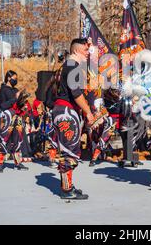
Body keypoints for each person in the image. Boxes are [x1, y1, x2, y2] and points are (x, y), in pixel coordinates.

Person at [51, 38, 93, 200]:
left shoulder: (67, 66)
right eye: (85, 49)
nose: (88, 53)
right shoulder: (72, 66)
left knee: (70, 150)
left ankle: (67, 185)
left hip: (64, 111)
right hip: (66, 113)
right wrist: (88, 112)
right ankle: (66, 190)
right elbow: (76, 93)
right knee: (69, 152)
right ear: (76, 50)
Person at [0, 70, 29, 172]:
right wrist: (15, 98)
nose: (16, 80)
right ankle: (0, 163)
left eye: (17, 78)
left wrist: (23, 103)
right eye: (14, 78)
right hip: (8, 116)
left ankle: (17, 162)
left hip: (17, 117)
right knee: (4, 139)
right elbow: (2, 105)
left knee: (18, 140)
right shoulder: (3, 90)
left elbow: (19, 103)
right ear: (9, 78)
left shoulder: (16, 90)